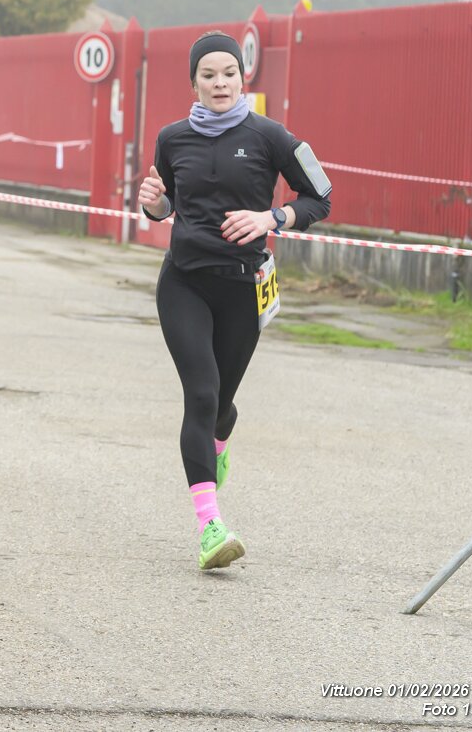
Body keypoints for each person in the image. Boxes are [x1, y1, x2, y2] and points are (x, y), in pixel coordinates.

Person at [138, 31, 332, 571]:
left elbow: (320, 197)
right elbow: (167, 206)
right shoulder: (172, 138)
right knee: (201, 394)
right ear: (194, 83)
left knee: (220, 405)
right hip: (184, 282)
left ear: (242, 79)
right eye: (209, 75)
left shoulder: (270, 136)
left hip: (245, 287)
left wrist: (272, 217)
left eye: (228, 73)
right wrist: (154, 205)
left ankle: (219, 439)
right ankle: (210, 527)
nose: (219, 83)